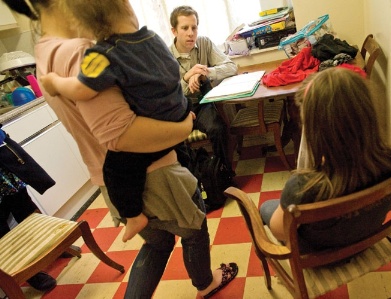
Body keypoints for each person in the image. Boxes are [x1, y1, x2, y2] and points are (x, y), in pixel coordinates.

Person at [2, 0, 238, 298]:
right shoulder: (83, 52)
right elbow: (122, 136)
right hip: (153, 175)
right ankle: (205, 284)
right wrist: (183, 127)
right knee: (194, 228)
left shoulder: (45, 49)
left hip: (111, 180)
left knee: (157, 242)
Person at [40, 0, 192, 242]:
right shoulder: (152, 37)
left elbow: (82, 89)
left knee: (114, 168)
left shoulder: (101, 54)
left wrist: (55, 83)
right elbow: (174, 71)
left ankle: (133, 216)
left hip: (153, 126)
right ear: (126, 7)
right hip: (179, 109)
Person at [259, 67, 391, 253]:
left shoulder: (301, 187)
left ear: (315, 132)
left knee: (266, 206)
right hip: (365, 239)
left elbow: (282, 233)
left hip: (316, 255)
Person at [169, 5, 238, 171]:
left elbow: (232, 66)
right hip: (179, 110)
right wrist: (186, 78)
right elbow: (167, 93)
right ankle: (194, 181)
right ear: (174, 31)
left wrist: (203, 72)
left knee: (218, 129)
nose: (191, 33)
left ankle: (225, 175)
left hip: (202, 105)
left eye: (194, 27)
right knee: (171, 140)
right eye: (184, 28)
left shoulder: (205, 43)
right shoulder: (165, 55)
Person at [0, 128, 56, 292]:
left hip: (4, 164)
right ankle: (28, 272)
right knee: (2, 231)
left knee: (27, 210)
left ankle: (51, 247)